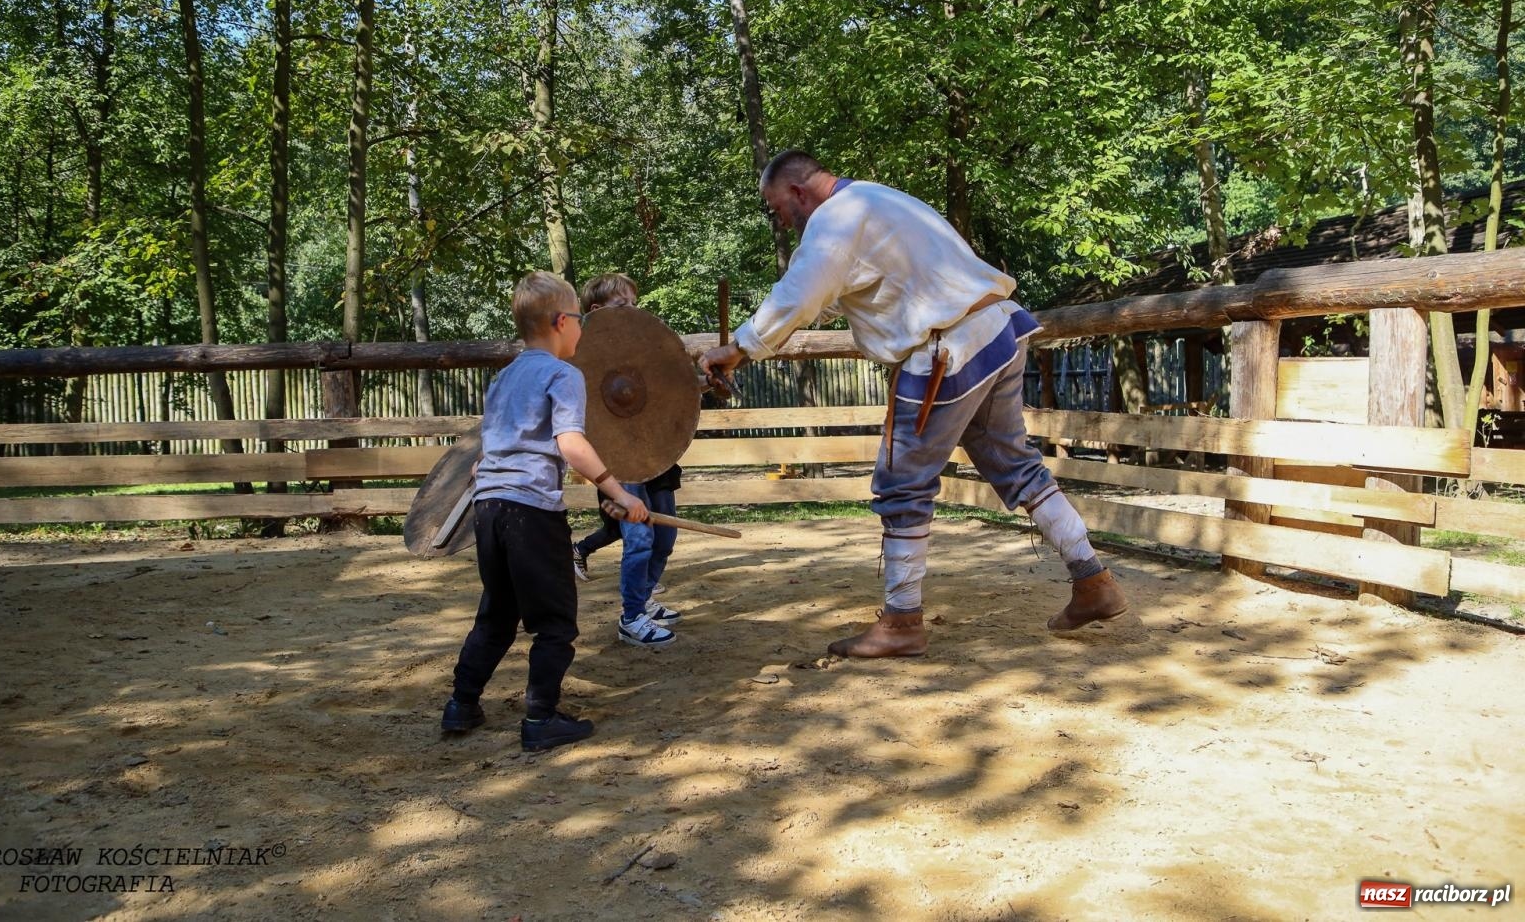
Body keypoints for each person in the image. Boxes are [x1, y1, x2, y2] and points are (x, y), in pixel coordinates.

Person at [700, 150, 1129, 658]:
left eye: (776, 208)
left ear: (797, 191)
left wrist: (740, 347)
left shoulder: (835, 220)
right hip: (999, 330)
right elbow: (840, 291)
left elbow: (800, 293)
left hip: (947, 351)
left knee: (902, 481)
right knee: (1016, 465)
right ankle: (1093, 581)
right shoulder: (879, 200)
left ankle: (902, 621)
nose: (779, 219)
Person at [441, 271, 650, 752]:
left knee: (497, 612)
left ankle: (461, 703)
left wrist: (605, 498)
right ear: (561, 321)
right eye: (579, 319)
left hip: (489, 508)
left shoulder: (505, 376)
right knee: (556, 621)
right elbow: (571, 445)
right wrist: (619, 492)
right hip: (531, 513)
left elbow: (492, 453)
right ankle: (540, 719)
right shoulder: (563, 374)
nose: (582, 329)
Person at [569, 273, 685, 650]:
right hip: (620, 460)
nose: (633, 312)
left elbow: (669, 389)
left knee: (665, 537)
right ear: (597, 312)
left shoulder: (642, 351)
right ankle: (632, 616)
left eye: (635, 304)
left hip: (656, 453)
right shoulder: (581, 358)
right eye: (623, 306)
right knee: (639, 539)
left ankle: (644, 597)